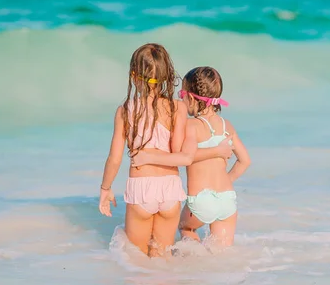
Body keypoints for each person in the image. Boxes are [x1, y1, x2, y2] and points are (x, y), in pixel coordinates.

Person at [98, 45, 232, 257]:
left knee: (137, 258)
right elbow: (179, 153)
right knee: (163, 258)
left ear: (134, 76)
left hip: (141, 188)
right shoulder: (177, 108)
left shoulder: (125, 111)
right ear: (167, 76)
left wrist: (105, 189)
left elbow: (114, 158)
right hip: (170, 189)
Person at [132, 66, 251, 247]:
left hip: (201, 201)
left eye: (182, 94)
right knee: (221, 255)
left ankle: (191, 267)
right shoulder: (227, 126)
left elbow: (183, 156)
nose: (180, 99)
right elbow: (245, 161)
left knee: (185, 228)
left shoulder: (192, 126)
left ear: (192, 98)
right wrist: (226, 179)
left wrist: (147, 156)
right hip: (227, 198)